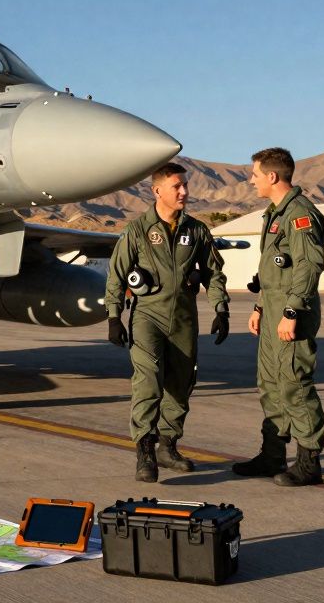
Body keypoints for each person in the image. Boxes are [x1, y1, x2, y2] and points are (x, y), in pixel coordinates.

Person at [105, 162, 230, 482]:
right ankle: (145, 451)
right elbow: (117, 275)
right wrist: (114, 317)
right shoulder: (136, 231)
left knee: (181, 383)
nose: (184, 191)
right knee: (148, 381)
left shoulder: (197, 230)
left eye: (185, 185)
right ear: (157, 190)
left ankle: (168, 445)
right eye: (177, 186)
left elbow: (214, 272)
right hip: (148, 315)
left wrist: (220, 308)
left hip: (184, 318)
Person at [233, 147, 324, 486]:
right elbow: (274, 271)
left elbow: (308, 265)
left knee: (294, 383)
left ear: (272, 176)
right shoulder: (274, 214)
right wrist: (261, 307)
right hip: (274, 309)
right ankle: (273, 455)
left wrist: (291, 311)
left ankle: (308, 462)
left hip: (293, 311)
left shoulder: (299, 214)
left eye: (255, 174)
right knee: (270, 384)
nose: (251, 179)